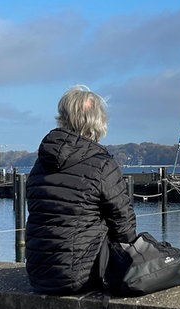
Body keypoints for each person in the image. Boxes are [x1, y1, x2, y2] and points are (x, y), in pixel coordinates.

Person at [25, 84, 137, 294]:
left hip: (38, 275)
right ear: (98, 121)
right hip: (81, 277)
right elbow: (124, 225)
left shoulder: (39, 164)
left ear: (62, 118)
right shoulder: (102, 164)